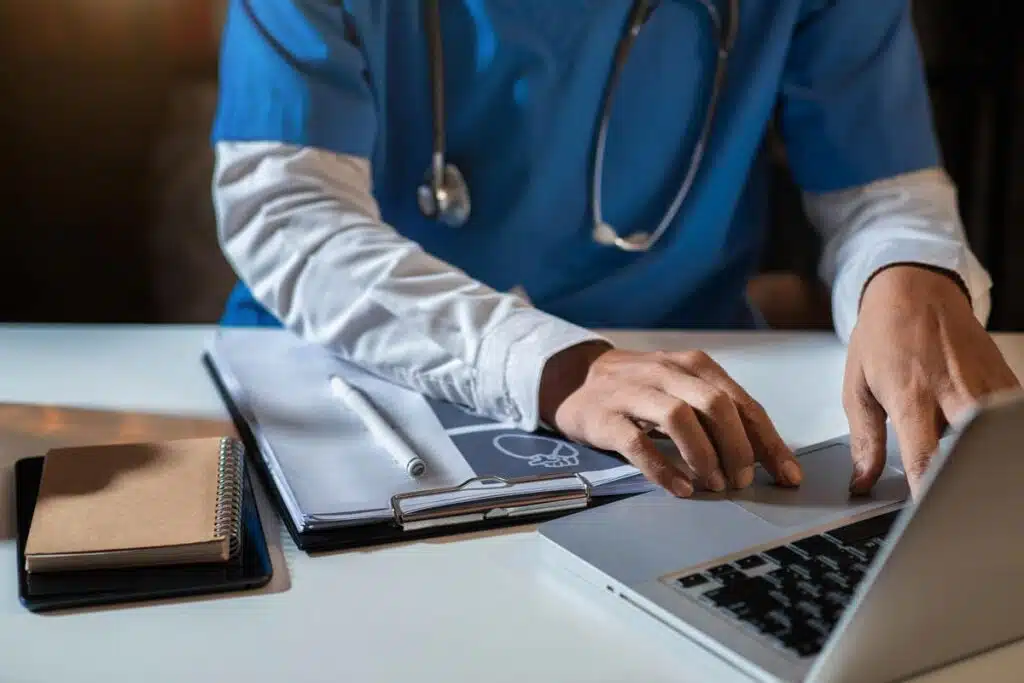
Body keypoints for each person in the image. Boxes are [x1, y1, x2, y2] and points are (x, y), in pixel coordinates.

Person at [210, 0, 1019, 499]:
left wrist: (907, 270)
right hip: (349, 387)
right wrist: (559, 365)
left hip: (687, 417)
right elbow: (287, 213)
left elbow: (882, 190)